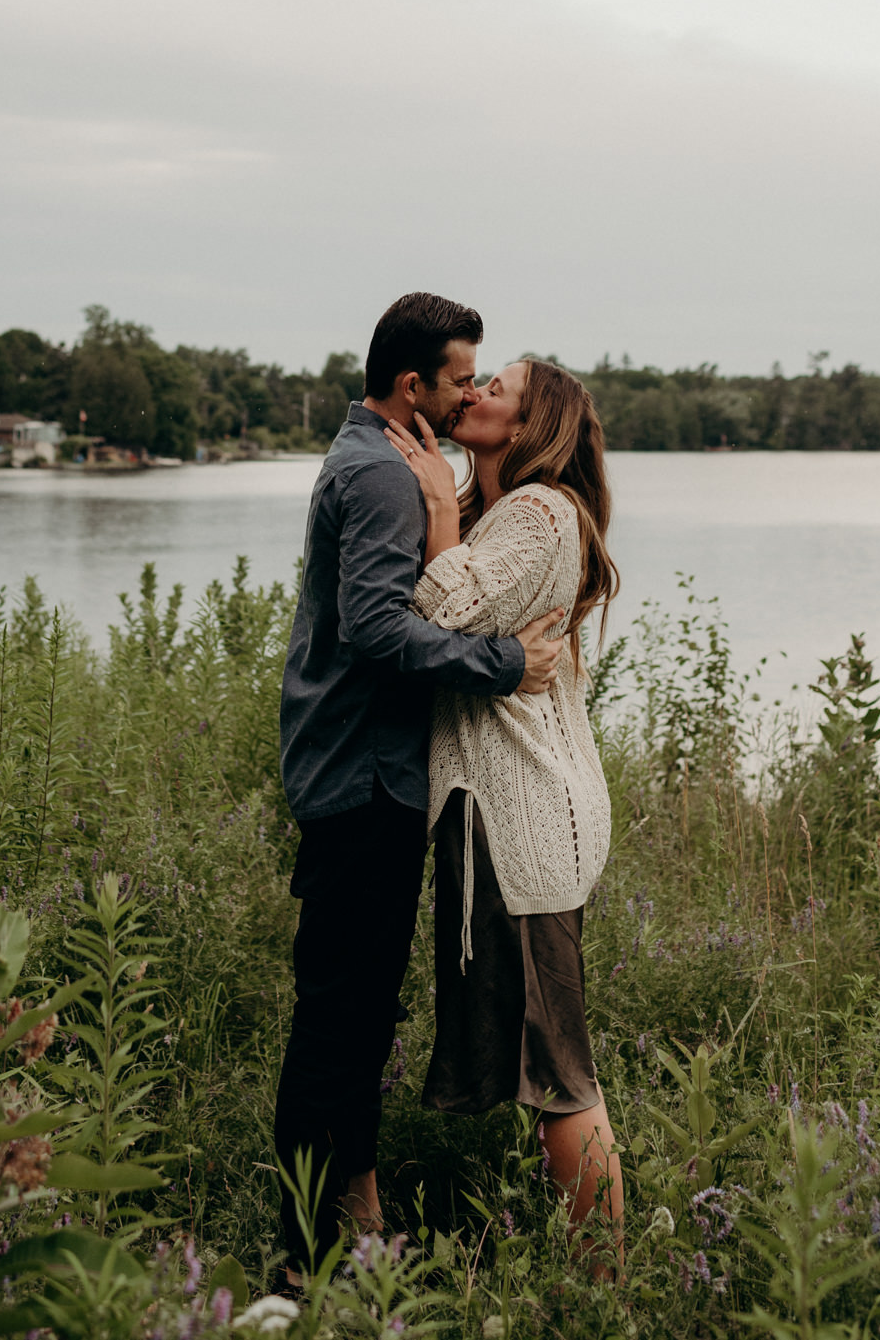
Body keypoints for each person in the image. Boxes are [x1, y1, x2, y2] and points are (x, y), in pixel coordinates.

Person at [274, 294, 566, 1274]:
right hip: (362, 781)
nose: (469, 392)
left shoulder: (394, 462)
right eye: (459, 380)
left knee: (357, 1014)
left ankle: (355, 1214)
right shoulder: (383, 473)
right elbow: (374, 630)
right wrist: (502, 666)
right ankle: (307, 1257)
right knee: (337, 1020)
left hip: (369, 776)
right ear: (413, 386)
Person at [383, 358, 623, 1265]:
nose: (472, 392)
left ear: (528, 427)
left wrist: (440, 511)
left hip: (527, 823)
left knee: (562, 1072)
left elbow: (436, 603)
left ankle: (606, 1286)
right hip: (513, 817)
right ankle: (578, 1267)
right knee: (538, 1060)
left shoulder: (537, 512)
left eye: (497, 388)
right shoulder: (505, 514)